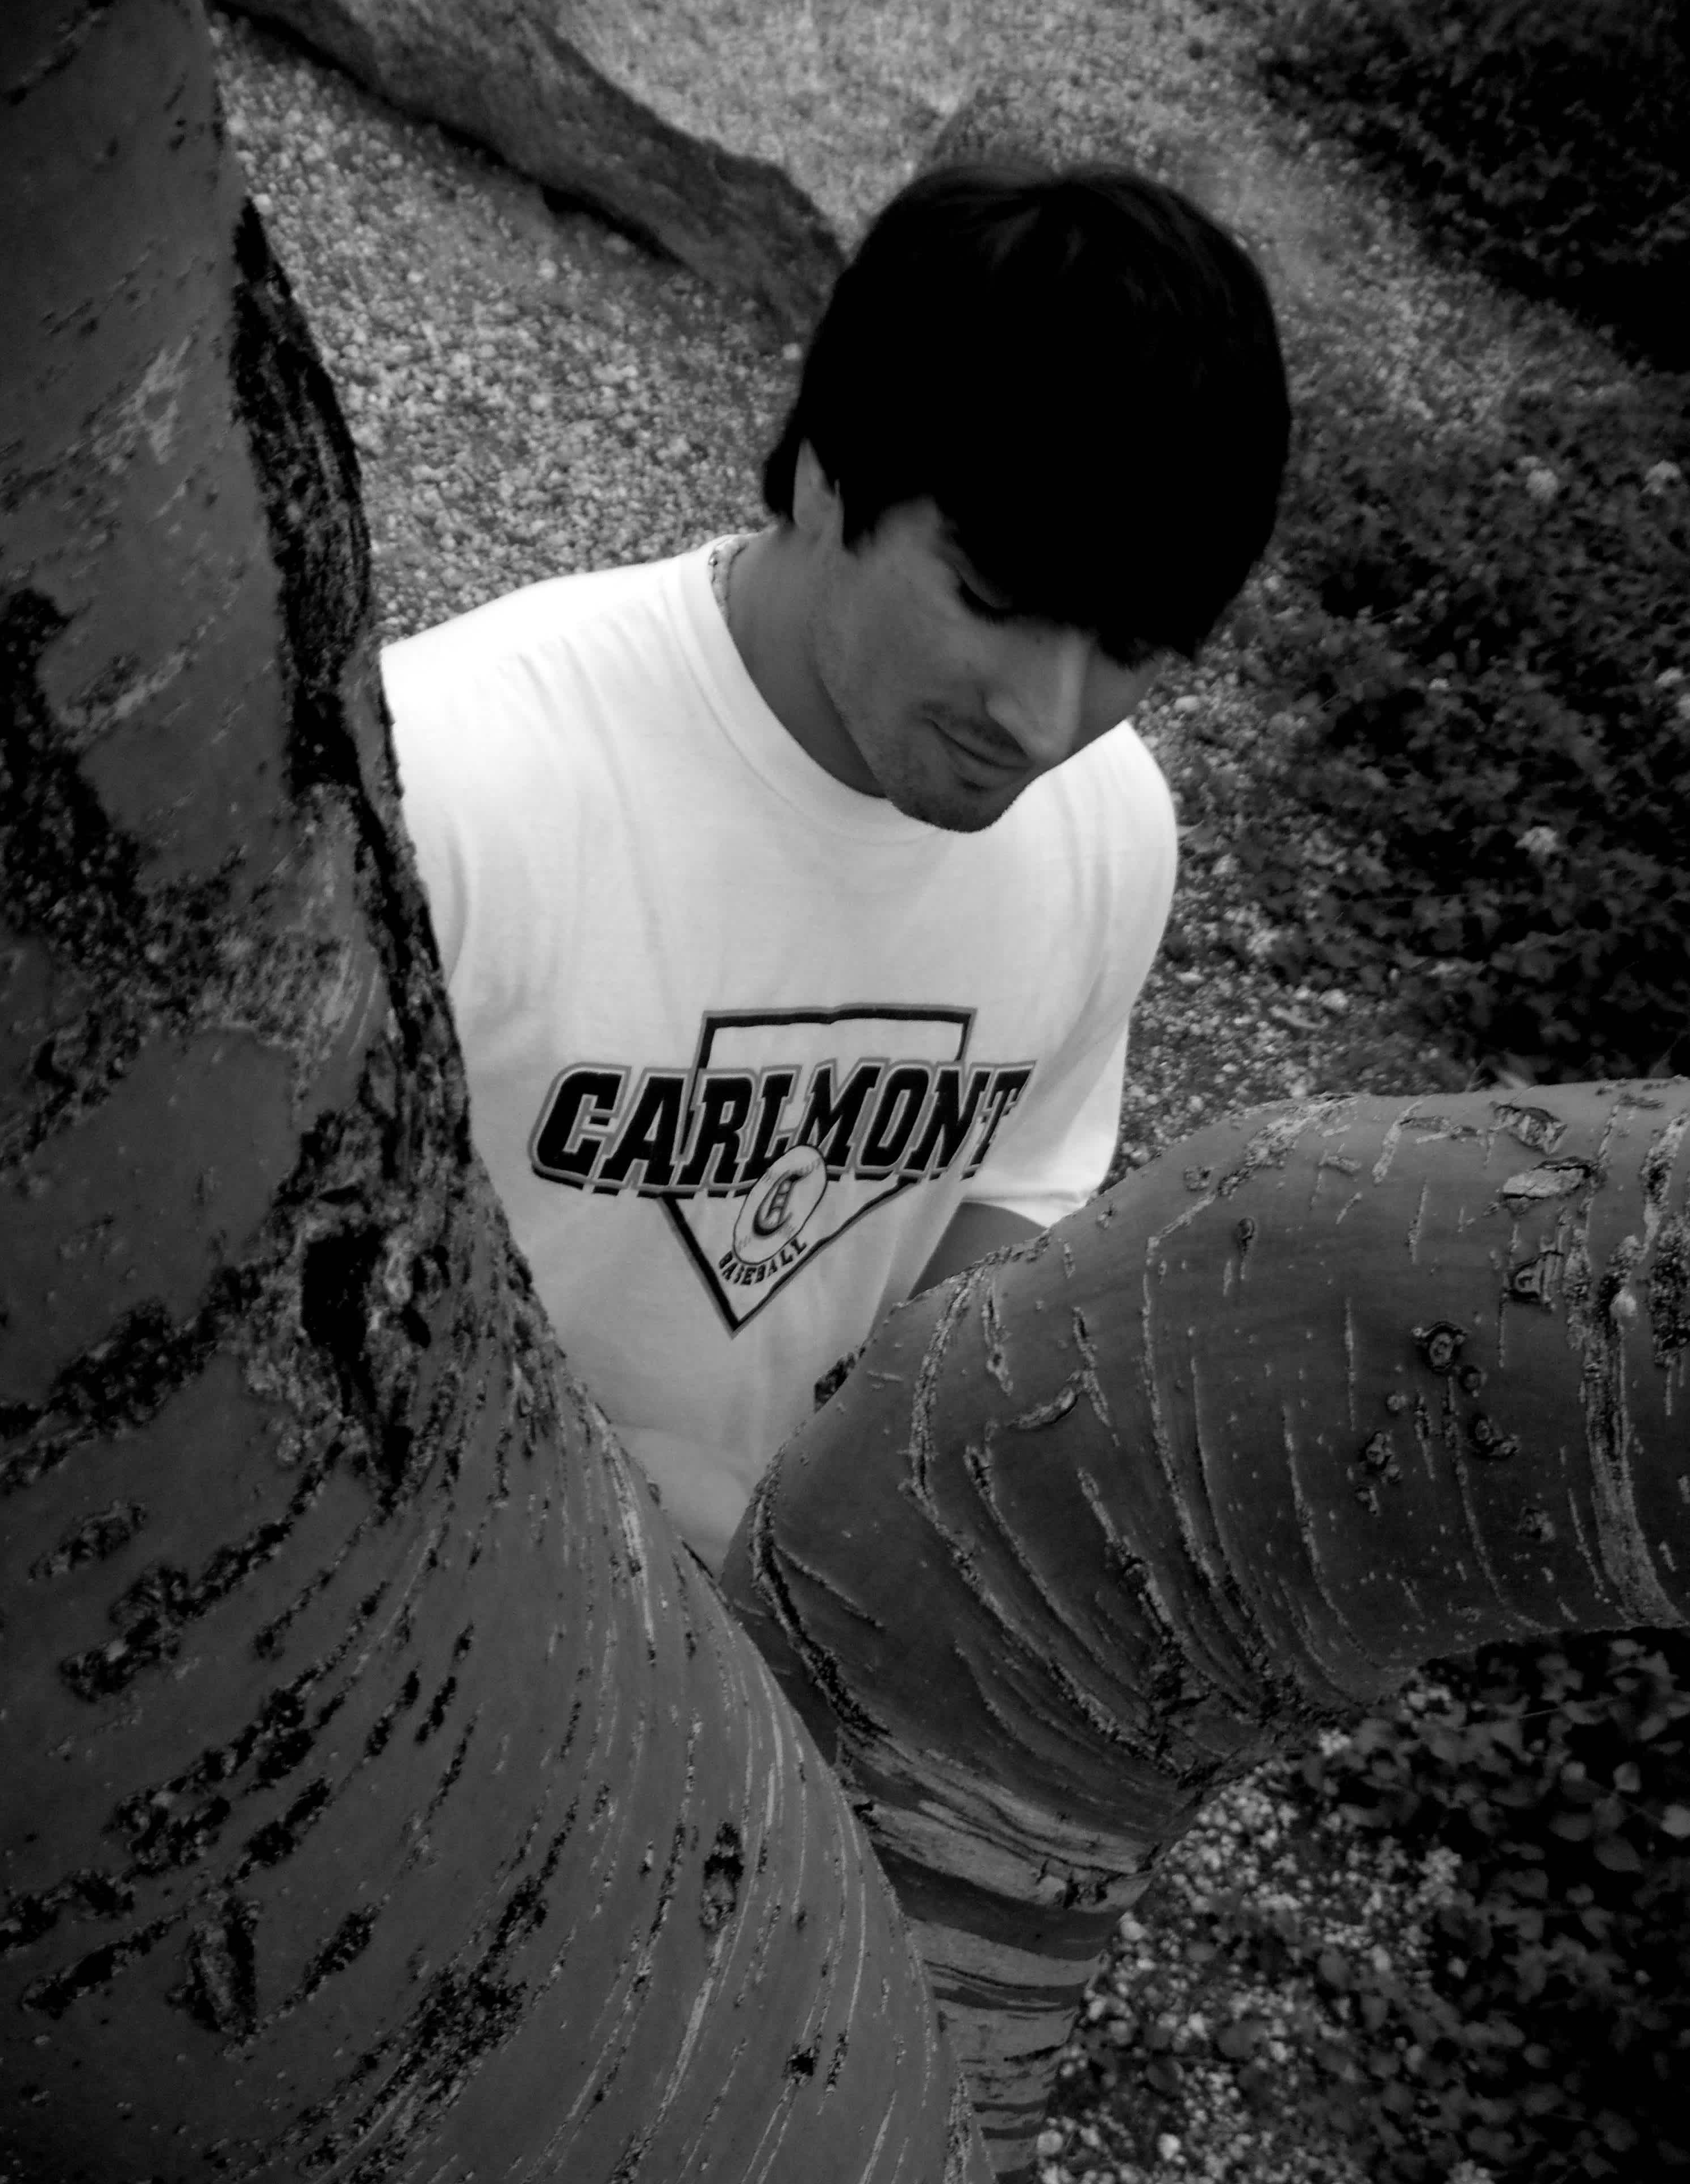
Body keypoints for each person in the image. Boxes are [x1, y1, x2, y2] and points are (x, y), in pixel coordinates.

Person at [384, 159, 1291, 1568]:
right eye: (995, 600)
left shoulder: (1110, 833)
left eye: (1130, 646)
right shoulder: (447, 784)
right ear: (825, 469)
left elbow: (1020, 1182)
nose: (1046, 721)